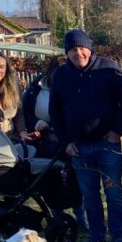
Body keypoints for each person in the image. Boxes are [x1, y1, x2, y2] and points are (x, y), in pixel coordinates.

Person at [49, 29, 122, 242]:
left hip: (107, 143)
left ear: (90, 48)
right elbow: (55, 113)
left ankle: (119, 236)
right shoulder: (60, 76)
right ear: (67, 53)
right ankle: (97, 236)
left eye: (82, 48)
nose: (79, 53)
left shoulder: (108, 69)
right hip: (78, 146)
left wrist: (117, 131)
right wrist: (65, 142)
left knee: (113, 192)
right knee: (89, 195)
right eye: (73, 50)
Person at [21, 56, 89, 232]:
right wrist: (36, 123)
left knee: (74, 180)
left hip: (69, 140)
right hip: (43, 142)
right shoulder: (36, 89)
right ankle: (56, 215)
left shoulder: (77, 86)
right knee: (48, 179)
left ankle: (81, 217)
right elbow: (23, 113)